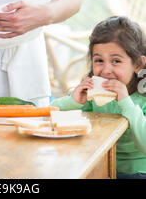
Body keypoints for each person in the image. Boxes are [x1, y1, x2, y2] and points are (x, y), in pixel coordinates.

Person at [51, 16, 146, 179]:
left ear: (138, 65)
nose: (106, 70)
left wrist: (126, 103)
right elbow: (52, 114)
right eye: (99, 60)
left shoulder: (142, 98)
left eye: (116, 61)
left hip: (136, 172)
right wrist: (73, 102)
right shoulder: (93, 95)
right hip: (98, 167)